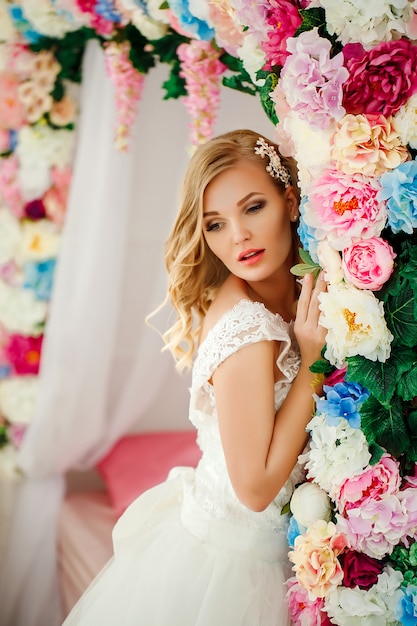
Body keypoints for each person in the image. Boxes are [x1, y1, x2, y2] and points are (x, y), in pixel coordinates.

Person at [63, 129, 327, 626]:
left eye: (253, 209)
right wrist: (312, 363)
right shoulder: (247, 329)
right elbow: (254, 489)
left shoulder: (306, 287)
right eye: (215, 224)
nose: (238, 237)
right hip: (237, 566)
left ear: (290, 202)